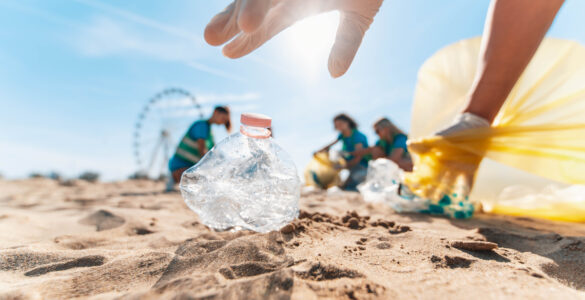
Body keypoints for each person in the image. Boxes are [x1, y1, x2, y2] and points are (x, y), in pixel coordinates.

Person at [169, 106, 231, 183]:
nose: (222, 123)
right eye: (223, 119)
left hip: (189, 169)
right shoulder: (202, 126)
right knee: (208, 181)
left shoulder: (209, 133)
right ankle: (171, 180)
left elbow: (215, 154)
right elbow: (202, 151)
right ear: (215, 112)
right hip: (180, 169)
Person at [317, 113, 369, 190]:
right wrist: (319, 151)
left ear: (347, 122)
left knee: (353, 185)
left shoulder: (358, 136)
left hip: (361, 166)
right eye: (336, 125)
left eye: (340, 124)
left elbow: (359, 156)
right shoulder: (342, 135)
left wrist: (344, 166)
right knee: (335, 153)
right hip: (350, 166)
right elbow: (330, 145)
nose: (338, 127)